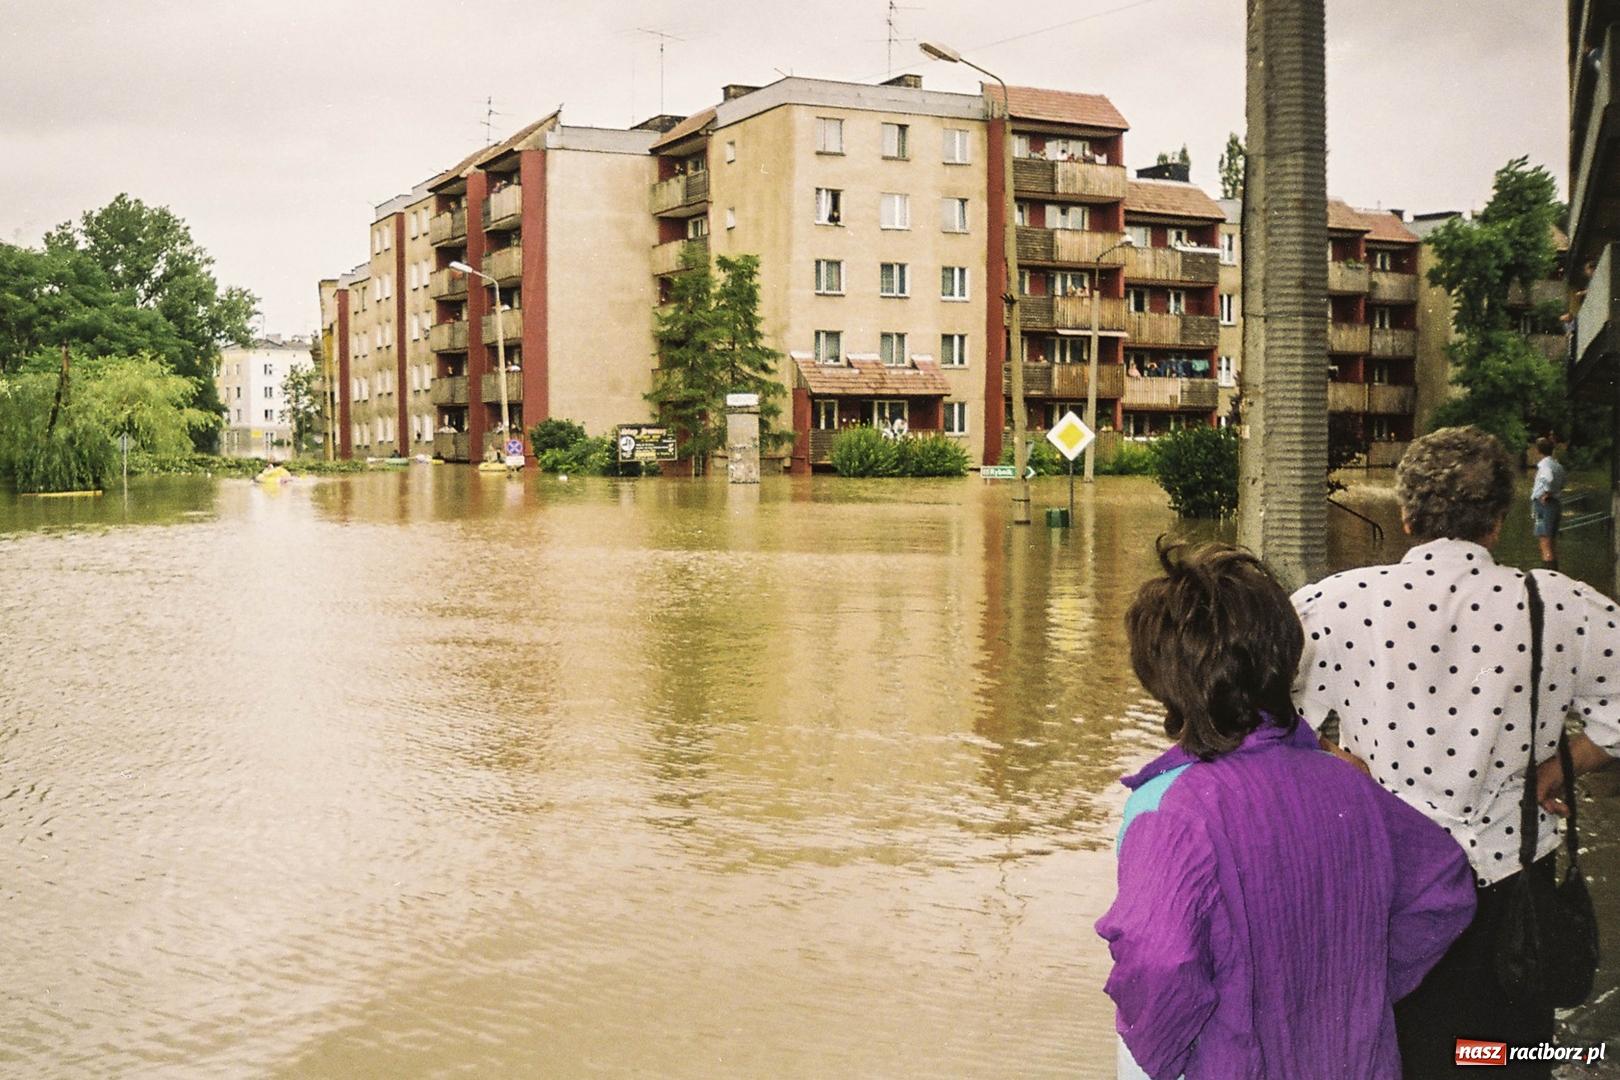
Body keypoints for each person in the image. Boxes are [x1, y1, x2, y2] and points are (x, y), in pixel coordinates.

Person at [1293, 426, 1620, 1079]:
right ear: (1499, 521)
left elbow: (1256, 723)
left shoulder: (1328, 606)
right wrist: (1568, 762)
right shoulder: (1559, 605)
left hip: (1382, 893)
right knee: (1502, 1059)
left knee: (1393, 1055)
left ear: (1406, 513)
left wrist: (1331, 759)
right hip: (1512, 902)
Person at [1098, 543, 1475, 1080]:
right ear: (1285, 653)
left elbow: (1158, 961)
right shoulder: (1349, 783)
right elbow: (1444, 885)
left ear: (1161, 678)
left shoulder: (1169, 811)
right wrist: (1366, 985)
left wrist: (1167, 1054)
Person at [1532, 436, 1567, 570]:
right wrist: (1554, 491)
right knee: (1551, 542)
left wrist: (1546, 492)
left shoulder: (1544, 465)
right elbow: (1563, 483)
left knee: (1545, 543)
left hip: (1544, 505)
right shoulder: (1557, 465)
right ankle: (1555, 572)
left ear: (1537, 450)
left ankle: (1548, 574)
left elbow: (1548, 478)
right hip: (1555, 504)